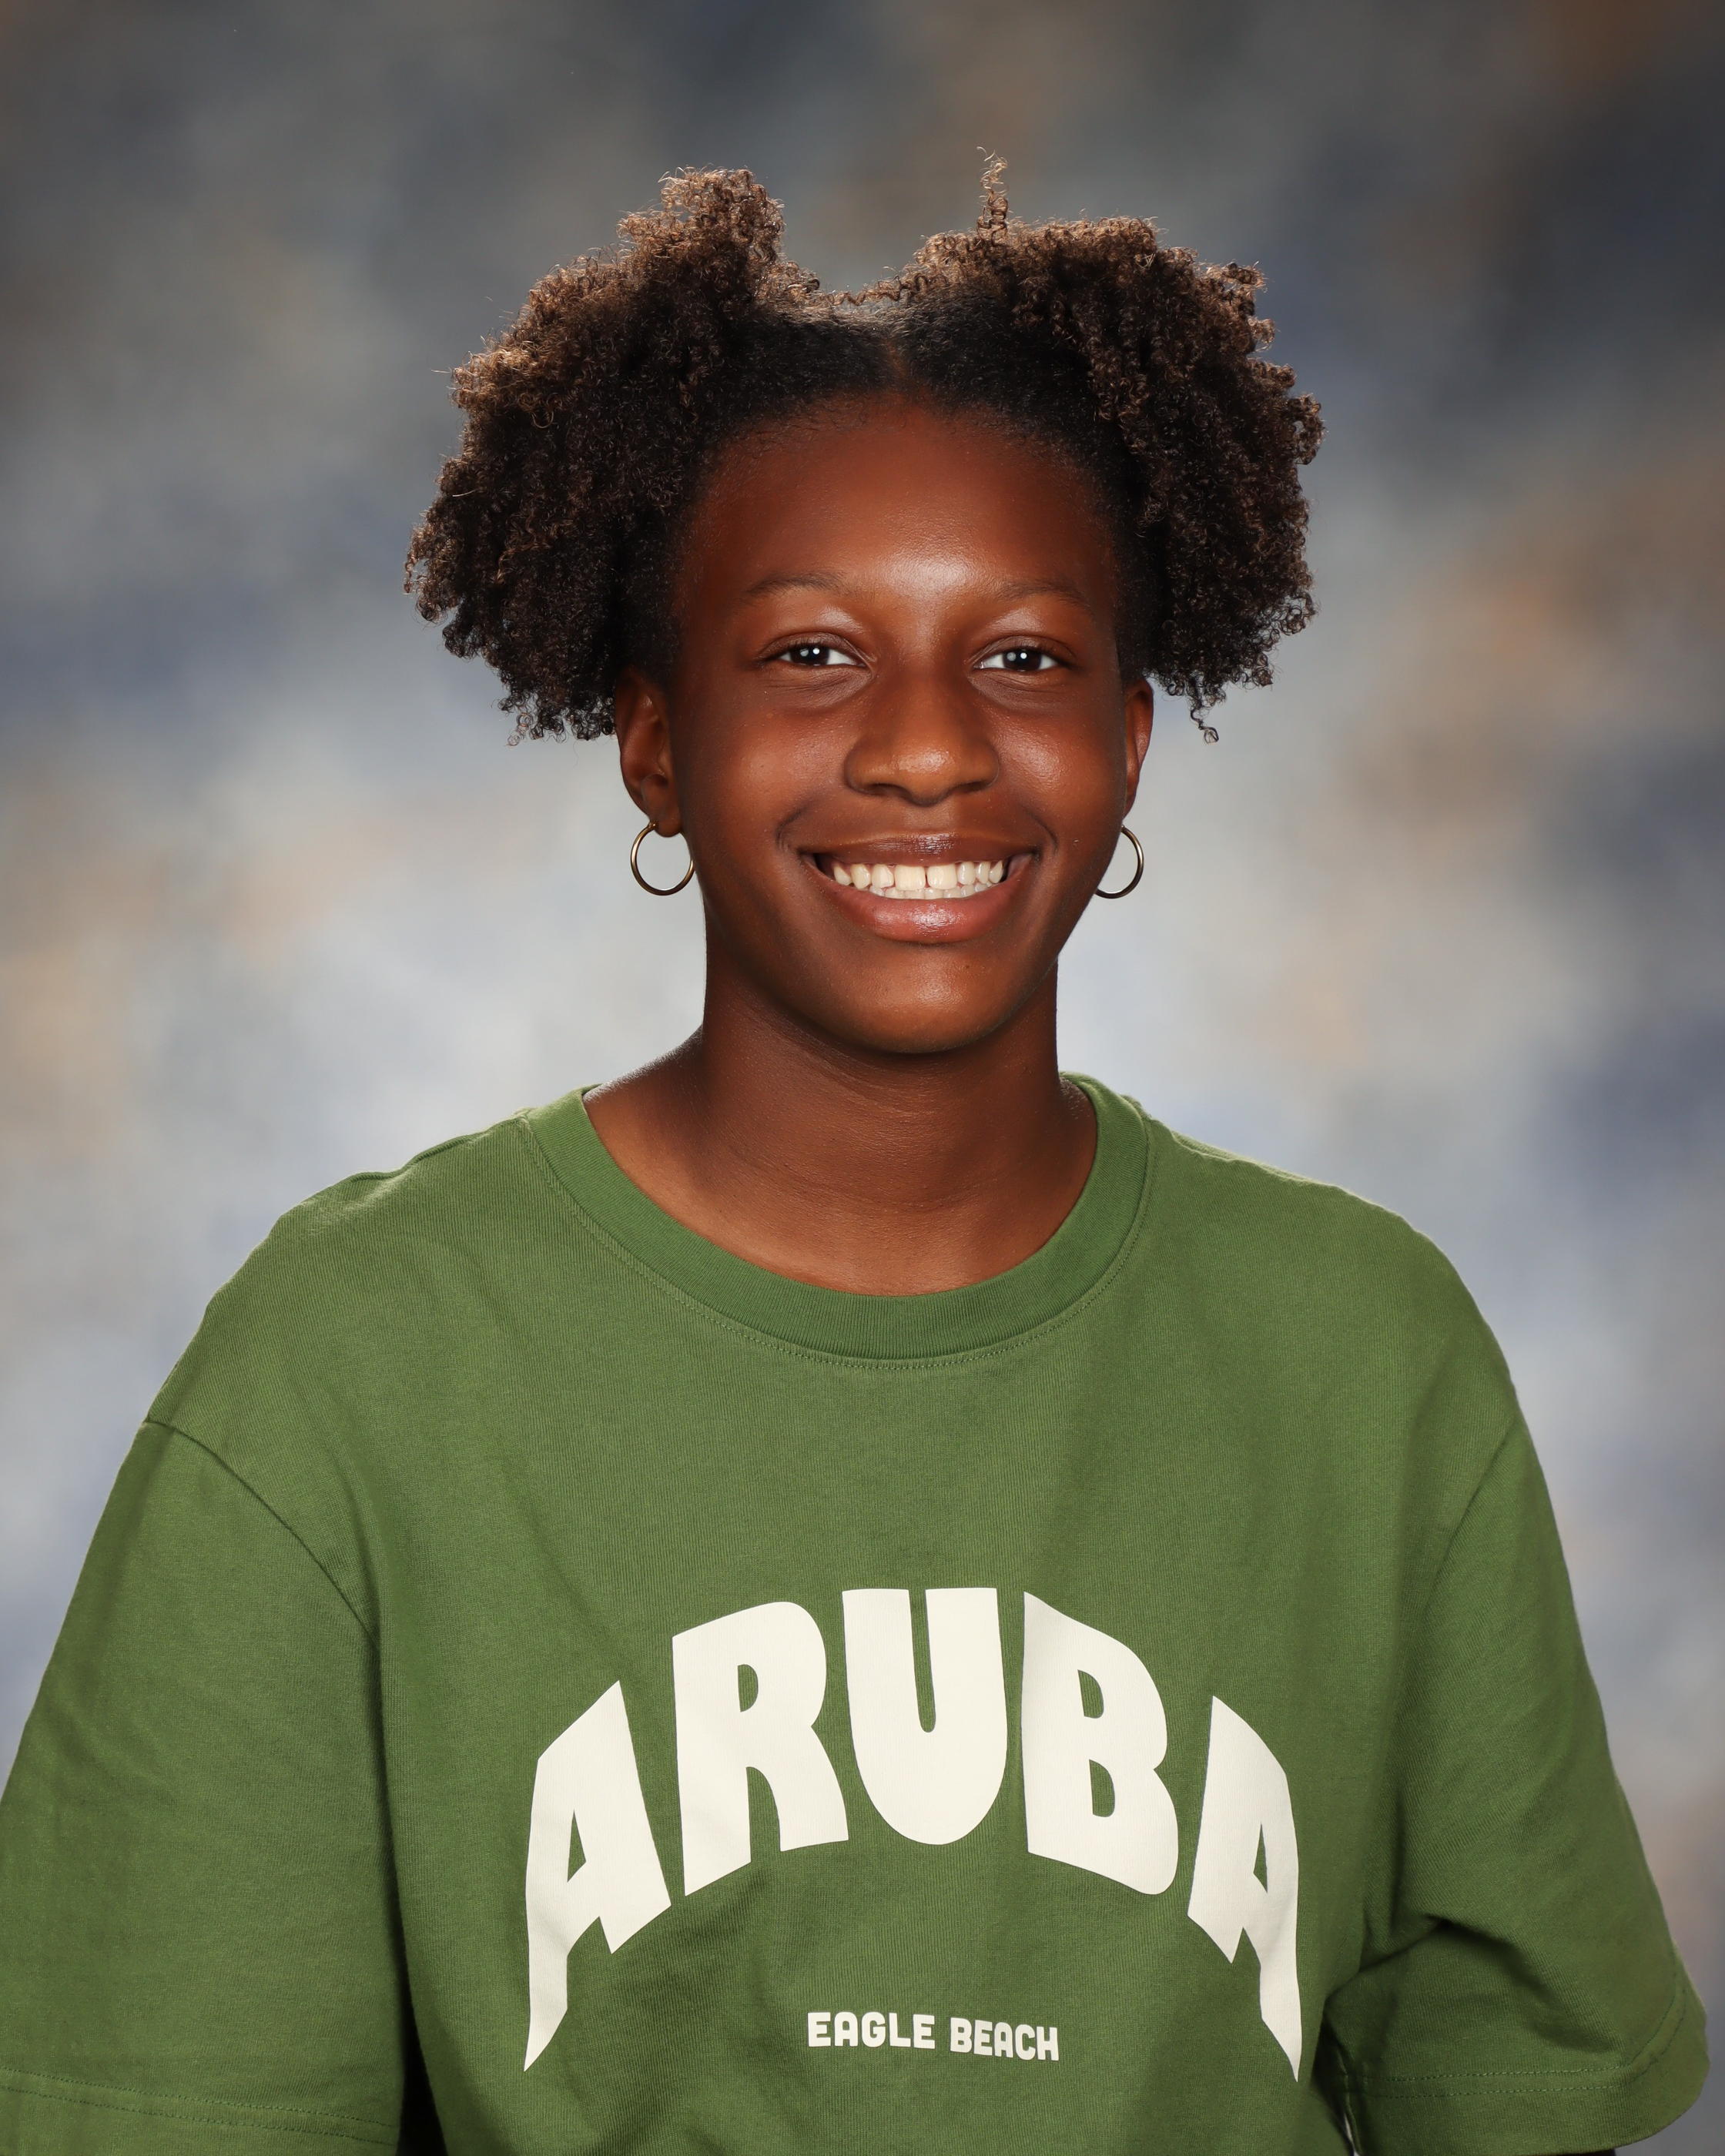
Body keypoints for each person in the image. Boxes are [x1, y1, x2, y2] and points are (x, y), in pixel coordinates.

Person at [0, 166, 1705, 2156]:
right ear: (653, 737)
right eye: (813, 654)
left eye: (1026, 658)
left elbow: (1514, 2107)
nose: (925, 748)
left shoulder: (1365, 1358)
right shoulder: (354, 1365)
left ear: (1134, 737)